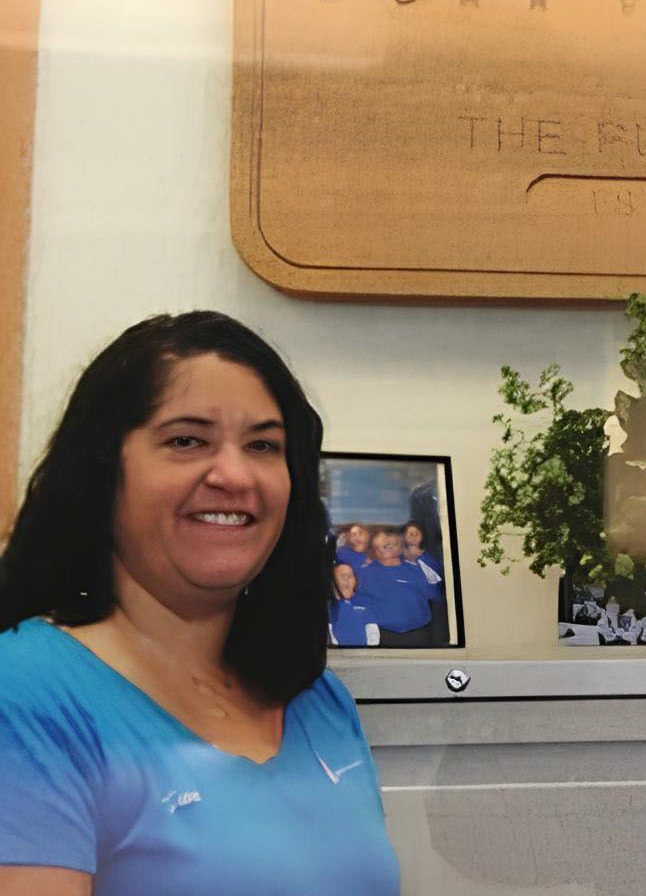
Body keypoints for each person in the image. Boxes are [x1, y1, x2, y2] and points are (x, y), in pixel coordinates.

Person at [0, 311, 399, 895]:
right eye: (187, 440)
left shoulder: (319, 697)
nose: (235, 474)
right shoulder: (24, 691)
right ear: (104, 468)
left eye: (264, 445)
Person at [355, 528, 436, 647]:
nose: (387, 547)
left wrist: (419, 557)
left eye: (391, 544)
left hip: (419, 634)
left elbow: (434, 593)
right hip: (381, 636)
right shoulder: (362, 573)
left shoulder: (416, 568)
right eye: (382, 546)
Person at [329, 562, 381, 647]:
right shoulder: (328, 608)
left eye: (350, 576)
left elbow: (373, 634)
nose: (347, 579)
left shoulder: (365, 608)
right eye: (342, 576)